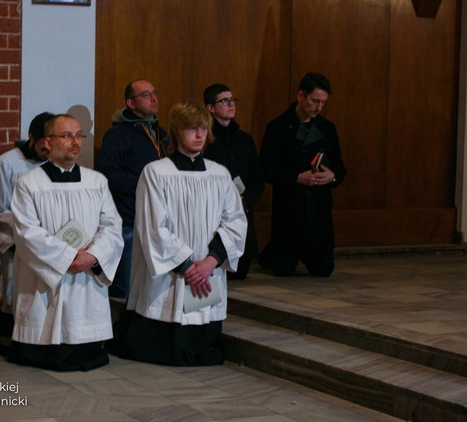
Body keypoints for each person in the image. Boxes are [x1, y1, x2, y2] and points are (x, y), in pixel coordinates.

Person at [108, 101, 247, 366]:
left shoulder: (219, 174)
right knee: (165, 330)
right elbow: (153, 227)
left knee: (202, 327)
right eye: (191, 129)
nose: (199, 135)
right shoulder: (156, 172)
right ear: (176, 131)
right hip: (172, 271)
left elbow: (235, 221)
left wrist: (210, 261)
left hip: (208, 269)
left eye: (203, 129)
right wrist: (186, 266)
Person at [9, 114, 124, 371]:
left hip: (86, 272)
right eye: (67, 135)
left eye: (79, 135)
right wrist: (67, 258)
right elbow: (27, 232)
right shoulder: (28, 183)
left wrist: (92, 256)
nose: (76, 142)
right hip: (49, 276)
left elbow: (112, 227)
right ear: (48, 143)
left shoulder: (96, 182)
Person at [258, 72, 347, 277]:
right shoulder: (277, 127)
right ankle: (272, 251)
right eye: (315, 101)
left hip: (318, 212)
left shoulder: (327, 129)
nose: (318, 108)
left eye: (323, 103)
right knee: (282, 270)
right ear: (300, 96)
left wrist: (331, 177)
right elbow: (266, 168)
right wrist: (298, 177)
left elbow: (341, 169)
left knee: (324, 270)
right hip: (289, 210)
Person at [96, 79, 169, 303]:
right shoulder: (117, 135)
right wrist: (146, 183)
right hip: (128, 219)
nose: (154, 98)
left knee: (152, 287)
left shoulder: (161, 133)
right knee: (126, 290)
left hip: (156, 219)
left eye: (154, 92)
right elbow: (108, 174)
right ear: (131, 103)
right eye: (146, 95)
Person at [0, 111, 54, 337]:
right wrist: (25, 235)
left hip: (46, 247)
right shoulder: (8, 163)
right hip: (15, 245)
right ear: (31, 137)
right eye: (43, 144)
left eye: (52, 143)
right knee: (10, 294)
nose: (47, 150)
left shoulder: (55, 163)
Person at [203, 84, 264, 280]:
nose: (230, 104)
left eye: (232, 100)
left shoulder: (244, 139)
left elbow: (257, 179)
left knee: (240, 271)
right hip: (213, 210)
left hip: (241, 208)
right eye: (224, 101)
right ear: (211, 108)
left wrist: (244, 202)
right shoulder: (204, 138)